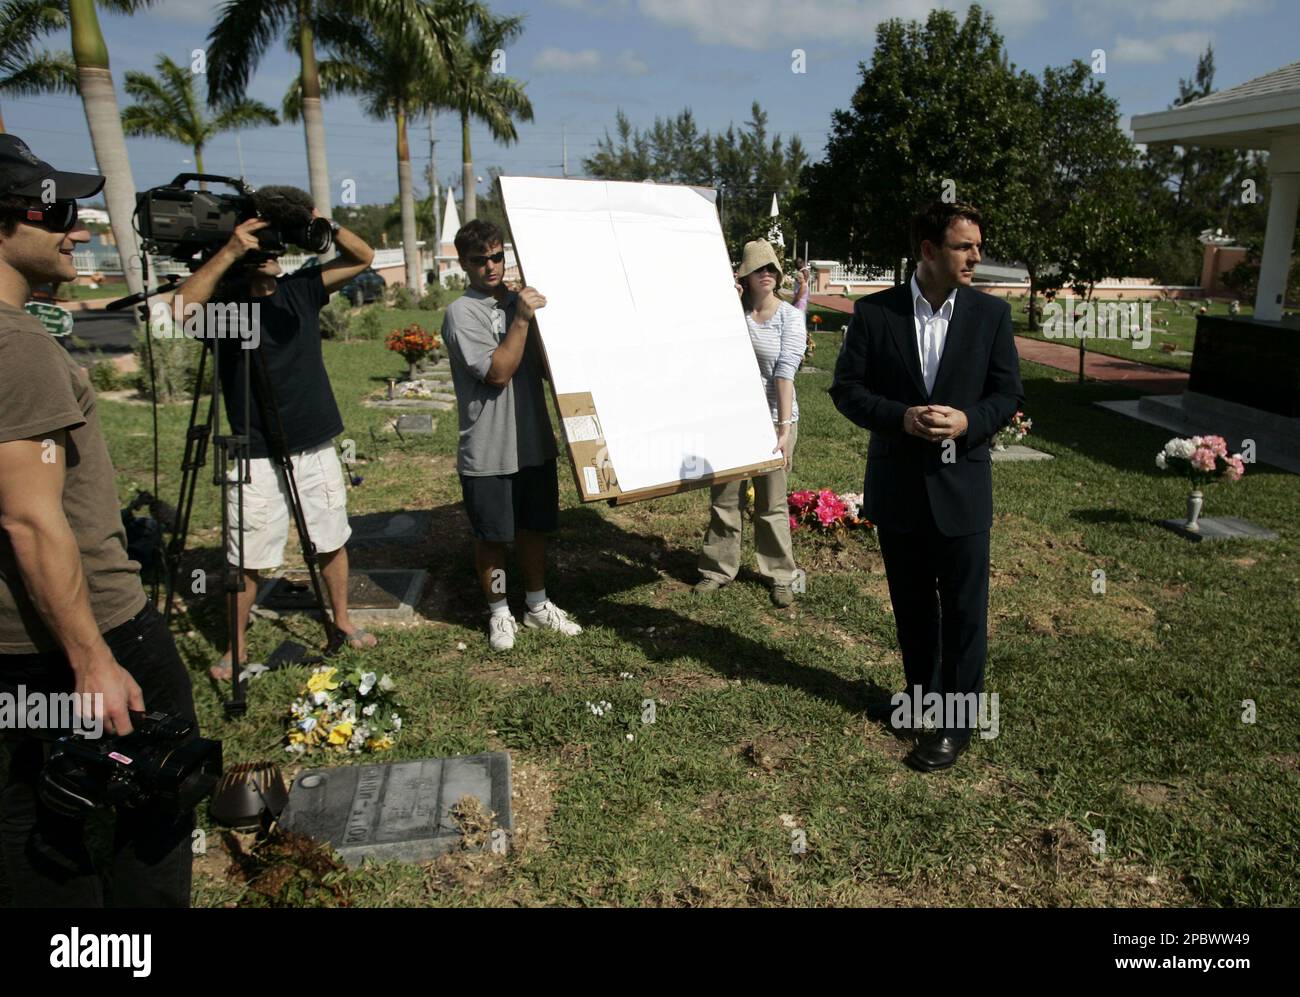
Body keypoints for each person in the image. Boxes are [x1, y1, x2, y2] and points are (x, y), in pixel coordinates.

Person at [0, 134, 196, 905]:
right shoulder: (16, 348)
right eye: (54, 213)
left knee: (37, 827)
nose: (75, 229)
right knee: (154, 802)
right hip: (92, 630)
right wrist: (91, 658)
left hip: (18, 643)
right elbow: (29, 520)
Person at [830, 200, 1023, 773]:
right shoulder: (874, 314)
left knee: (964, 610)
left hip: (962, 488)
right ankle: (920, 699)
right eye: (965, 247)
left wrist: (969, 422)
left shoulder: (991, 316)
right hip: (900, 487)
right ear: (929, 251)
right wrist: (899, 416)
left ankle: (957, 723)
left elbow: (1007, 394)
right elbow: (847, 389)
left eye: (978, 246)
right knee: (912, 606)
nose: (976, 257)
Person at [166, 194, 379, 680]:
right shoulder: (224, 307)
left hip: (313, 441)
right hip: (254, 449)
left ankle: (341, 622)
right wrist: (229, 252)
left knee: (330, 538)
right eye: (261, 241)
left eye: (272, 239)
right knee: (248, 554)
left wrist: (318, 222)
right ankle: (234, 649)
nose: (270, 249)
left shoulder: (302, 289)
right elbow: (178, 310)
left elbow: (362, 257)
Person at [441, 220, 582, 651]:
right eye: (479, 260)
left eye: (497, 256)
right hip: (488, 450)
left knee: (534, 530)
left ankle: (537, 606)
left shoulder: (521, 304)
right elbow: (498, 373)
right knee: (494, 538)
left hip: (533, 443)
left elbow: (546, 367)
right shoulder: (461, 313)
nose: (490, 266)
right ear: (463, 264)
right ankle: (499, 611)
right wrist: (520, 318)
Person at [695, 239, 803, 608]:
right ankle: (716, 569)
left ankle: (781, 576)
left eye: (772, 268)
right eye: (760, 269)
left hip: (774, 420)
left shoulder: (790, 317)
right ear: (745, 274)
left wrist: (784, 427)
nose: (768, 275)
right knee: (725, 499)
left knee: (771, 503)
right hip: (732, 418)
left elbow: (785, 373)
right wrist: (725, 301)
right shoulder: (732, 314)